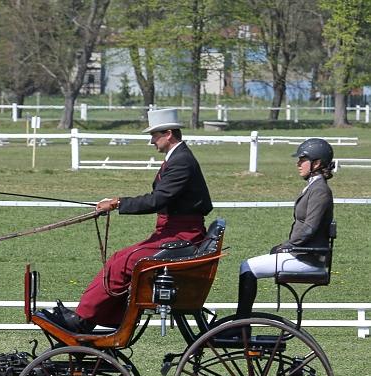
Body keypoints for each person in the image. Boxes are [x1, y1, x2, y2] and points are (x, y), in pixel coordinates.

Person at [48, 108, 213, 333]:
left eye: (154, 135)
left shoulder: (181, 161)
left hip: (182, 235)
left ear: (168, 134)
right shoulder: (177, 158)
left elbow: (157, 199)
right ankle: (91, 316)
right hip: (173, 231)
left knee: (123, 264)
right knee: (118, 258)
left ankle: (83, 321)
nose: (151, 141)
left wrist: (117, 203)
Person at [230, 138, 335, 324]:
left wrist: (286, 246)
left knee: (247, 267)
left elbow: (309, 228)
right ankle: (241, 322)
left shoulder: (320, 190)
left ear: (317, 163)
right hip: (303, 254)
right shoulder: (314, 186)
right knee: (249, 265)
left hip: (308, 259)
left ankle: (241, 325)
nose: (298, 164)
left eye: (303, 160)